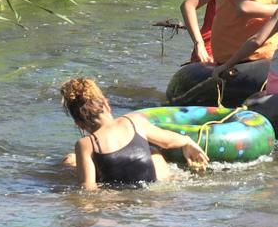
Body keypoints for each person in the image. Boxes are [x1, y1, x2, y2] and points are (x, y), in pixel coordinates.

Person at [60, 78, 209, 190]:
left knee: (69, 161)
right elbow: (168, 141)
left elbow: (88, 188)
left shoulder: (86, 144)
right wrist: (188, 141)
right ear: (106, 104)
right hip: (152, 193)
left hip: (118, 196)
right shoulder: (134, 121)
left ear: (79, 124)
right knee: (154, 152)